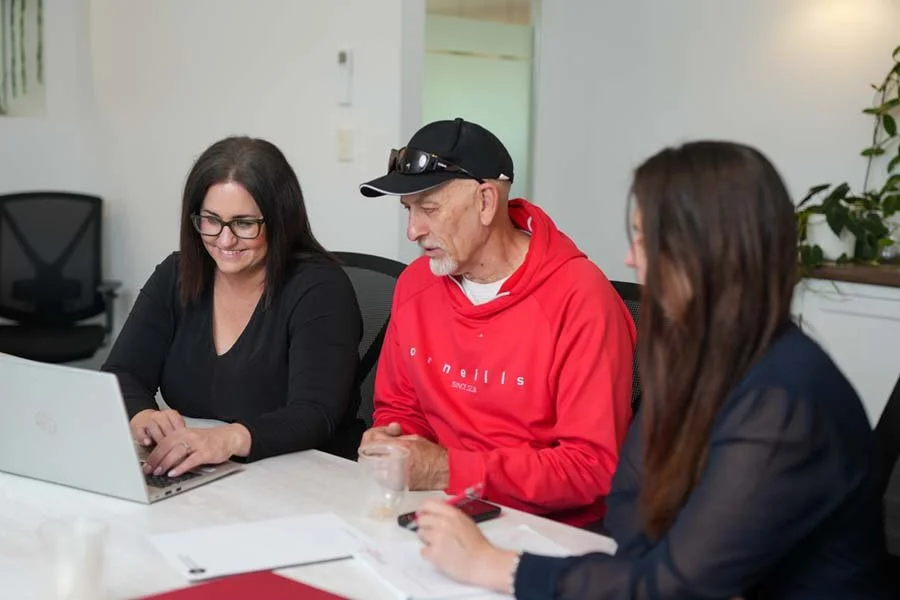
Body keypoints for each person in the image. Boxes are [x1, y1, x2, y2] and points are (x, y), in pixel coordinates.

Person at [411, 141, 891, 599]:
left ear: (707, 249)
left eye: (645, 237)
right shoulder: (698, 353)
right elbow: (630, 501)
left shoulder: (784, 396)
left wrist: (496, 566)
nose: (629, 256)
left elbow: (678, 586)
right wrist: (675, 572)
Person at [357, 118, 635, 527]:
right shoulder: (416, 284)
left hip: (548, 529)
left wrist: (450, 468)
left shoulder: (581, 298)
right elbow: (400, 407)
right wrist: (392, 442)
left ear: (486, 202)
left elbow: (590, 467)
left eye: (429, 209)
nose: (413, 230)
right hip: (436, 510)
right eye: (408, 210)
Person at [102, 136, 363, 478]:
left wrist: (227, 440)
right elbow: (122, 374)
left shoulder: (320, 288)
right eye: (211, 220)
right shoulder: (177, 275)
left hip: (303, 478)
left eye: (244, 224)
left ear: (280, 220)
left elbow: (315, 413)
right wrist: (144, 416)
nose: (225, 240)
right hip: (210, 476)